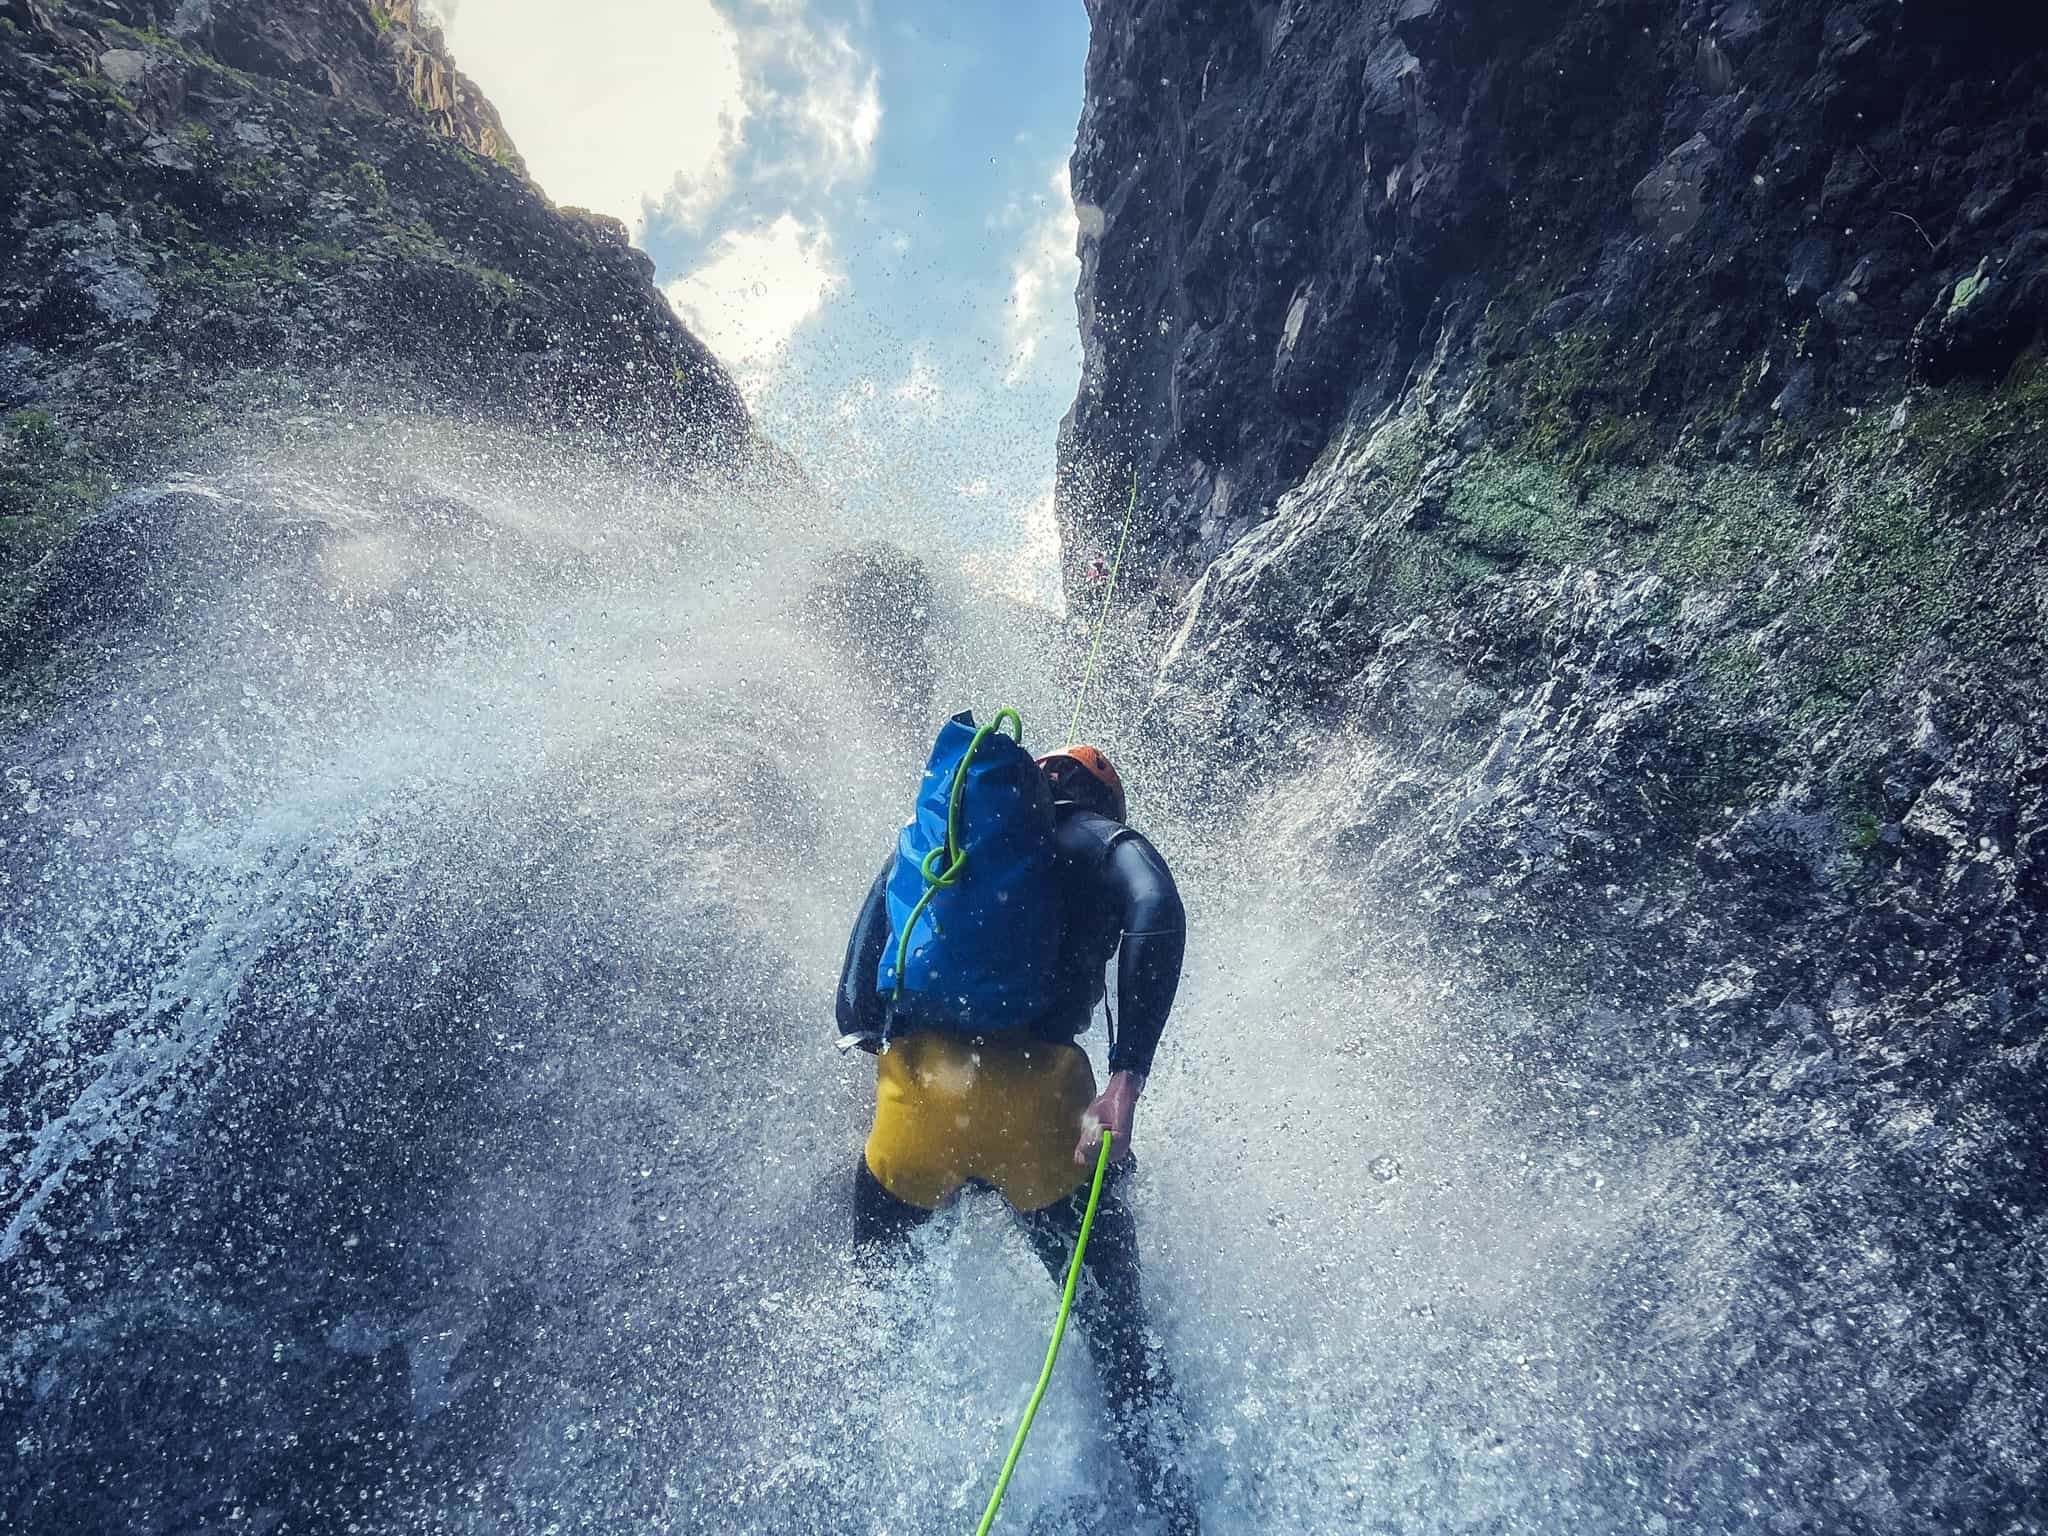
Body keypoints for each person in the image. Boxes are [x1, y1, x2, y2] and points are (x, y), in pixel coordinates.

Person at [835, 743, 1199, 1534]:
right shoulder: (1102, 843)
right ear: (1103, 800)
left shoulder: (938, 850)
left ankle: (857, 1490)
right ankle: (1175, 1513)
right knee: (1123, 1348)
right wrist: (1127, 1076)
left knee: (873, 1330)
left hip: (916, 1111)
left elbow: (854, 1007)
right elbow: (1158, 912)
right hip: (1040, 1120)